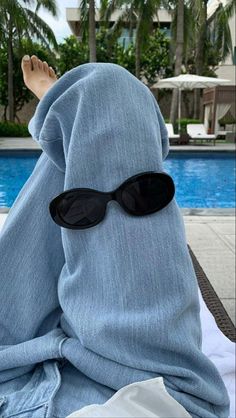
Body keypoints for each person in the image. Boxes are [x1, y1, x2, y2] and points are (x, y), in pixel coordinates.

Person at [0, 55, 230, 418]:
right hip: (159, 389)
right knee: (109, 96)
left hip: (12, 367)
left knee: (99, 108)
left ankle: (64, 125)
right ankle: (68, 127)